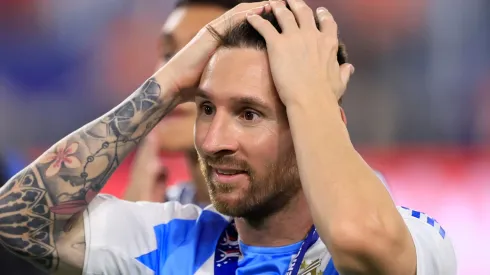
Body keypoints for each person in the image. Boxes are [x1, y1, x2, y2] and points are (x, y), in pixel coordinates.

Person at [0, 1, 456, 275]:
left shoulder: (416, 238)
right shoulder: (168, 241)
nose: (215, 139)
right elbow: (14, 221)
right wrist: (172, 81)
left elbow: (361, 238)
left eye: (249, 113)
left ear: (315, 122)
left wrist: (309, 97)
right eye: (205, 108)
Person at [122, 0, 258, 206]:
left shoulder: (310, 224)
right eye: (168, 54)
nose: (169, 77)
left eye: (199, 55)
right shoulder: (157, 211)